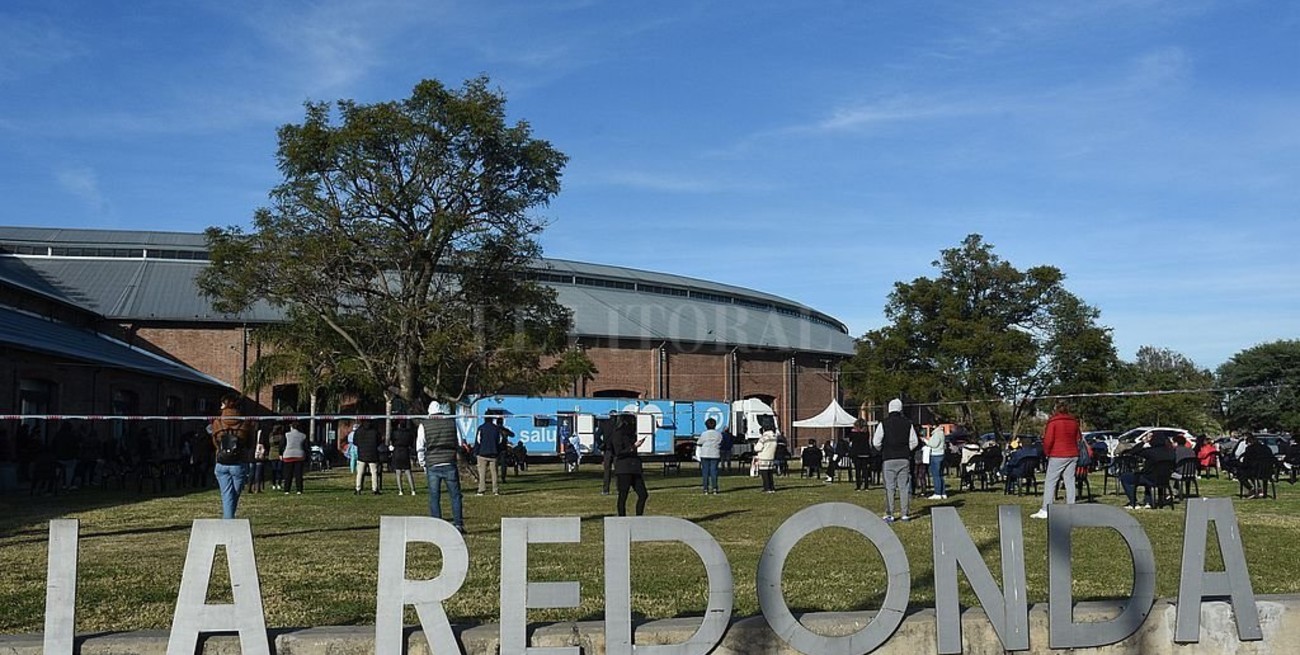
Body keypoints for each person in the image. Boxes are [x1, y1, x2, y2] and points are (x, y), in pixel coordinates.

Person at [416, 401, 466, 534]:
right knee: (455, 496)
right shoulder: (451, 421)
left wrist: (423, 463)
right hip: (449, 463)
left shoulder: (424, 425)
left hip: (432, 464)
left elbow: (420, 446)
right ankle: (458, 524)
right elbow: (460, 442)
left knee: (434, 496)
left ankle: (436, 525)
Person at [872, 398, 918, 523]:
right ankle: (905, 514)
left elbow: (876, 442)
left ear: (889, 409)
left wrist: (883, 449)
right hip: (904, 458)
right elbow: (914, 442)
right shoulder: (908, 423)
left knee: (890, 487)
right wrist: (906, 450)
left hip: (888, 458)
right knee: (904, 487)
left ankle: (890, 514)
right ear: (901, 409)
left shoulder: (883, 423)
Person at [1033, 402, 1081, 519]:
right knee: (1069, 481)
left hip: (1058, 454)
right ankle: (1071, 507)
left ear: (1056, 410)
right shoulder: (1074, 422)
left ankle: (1046, 509)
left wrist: (1047, 452)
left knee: (1050, 481)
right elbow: (1078, 438)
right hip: (1073, 454)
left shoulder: (1053, 422)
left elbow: (1048, 440)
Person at [210, 393, 253, 519]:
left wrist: (221, 449)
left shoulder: (217, 422)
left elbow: (214, 441)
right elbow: (250, 443)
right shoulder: (245, 423)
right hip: (238, 463)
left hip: (221, 462)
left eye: (222, 403)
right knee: (234, 494)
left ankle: (229, 520)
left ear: (226, 404)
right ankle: (229, 522)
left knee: (227, 494)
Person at [1120, 433, 1176, 509]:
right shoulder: (1171, 452)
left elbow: (1133, 452)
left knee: (1125, 477)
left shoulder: (1150, 452)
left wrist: (1143, 442)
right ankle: (1148, 502)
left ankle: (1133, 502)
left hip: (1150, 478)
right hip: (1164, 479)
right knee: (1148, 474)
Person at [610, 413, 648, 515]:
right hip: (624, 469)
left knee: (643, 494)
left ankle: (639, 516)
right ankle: (622, 517)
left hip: (635, 468)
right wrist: (633, 447)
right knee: (623, 495)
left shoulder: (631, 434)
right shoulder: (618, 434)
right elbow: (619, 452)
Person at [475, 415, 503, 495]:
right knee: (494, 473)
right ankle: (495, 490)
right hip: (494, 454)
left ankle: (481, 490)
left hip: (482, 454)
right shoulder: (496, 429)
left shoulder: (481, 428)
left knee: (482, 473)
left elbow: (478, 441)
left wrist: (476, 451)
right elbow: (500, 441)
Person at [353, 419, 382, 495]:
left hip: (361, 454)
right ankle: (374, 489)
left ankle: (358, 488)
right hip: (373, 455)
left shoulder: (358, 431)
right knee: (374, 473)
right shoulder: (375, 431)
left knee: (360, 473)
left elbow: (355, 442)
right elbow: (379, 441)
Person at [389, 418, 416, 496]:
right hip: (405, 452)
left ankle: (400, 490)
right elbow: (411, 442)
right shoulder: (409, 433)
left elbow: (392, 441)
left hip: (397, 452)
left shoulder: (394, 433)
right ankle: (413, 490)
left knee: (398, 473)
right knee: (408, 472)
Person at [280, 421, 308, 495]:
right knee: (298, 475)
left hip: (288, 455)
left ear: (291, 427)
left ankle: (287, 490)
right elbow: (306, 447)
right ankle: (299, 490)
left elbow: (282, 445)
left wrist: (280, 454)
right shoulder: (303, 436)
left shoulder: (286, 435)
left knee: (288, 474)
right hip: (299, 456)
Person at [696, 417, 722, 494]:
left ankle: (705, 489)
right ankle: (715, 488)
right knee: (714, 472)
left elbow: (699, 442)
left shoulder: (704, 434)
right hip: (715, 454)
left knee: (705, 472)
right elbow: (720, 442)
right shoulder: (718, 434)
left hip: (705, 454)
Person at [925, 424, 947, 500]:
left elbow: (933, 444)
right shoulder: (942, 433)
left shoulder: (937, 433)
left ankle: (937, 493)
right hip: (941, 454)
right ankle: (943, 492)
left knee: (936, 475)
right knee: (940, 475)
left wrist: (925, 440)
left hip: (936, 455)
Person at [849, 420, 872, 490]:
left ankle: (858, 486)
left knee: (858, 471)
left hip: (857, 453)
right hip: (865, 453)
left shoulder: (854, 434)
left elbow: (851, 439)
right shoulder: (866, 433)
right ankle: (866, 486)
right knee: (865, 470)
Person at [756, 427, 779, 493]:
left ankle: (767, 488)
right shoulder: (774, 437)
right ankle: (772, 487)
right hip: (771, 457)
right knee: (770, 473)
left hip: (763, 457)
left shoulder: (763, 438)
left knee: (764, 473)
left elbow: (758, 448)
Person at [267, 423, 285, 491]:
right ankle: (274, 484)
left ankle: (278, 484)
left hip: (278, 453)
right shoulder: (273, 435)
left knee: (279, 470)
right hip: (274, 453)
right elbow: (272, 442)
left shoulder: (274, 436)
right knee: (275, 470)